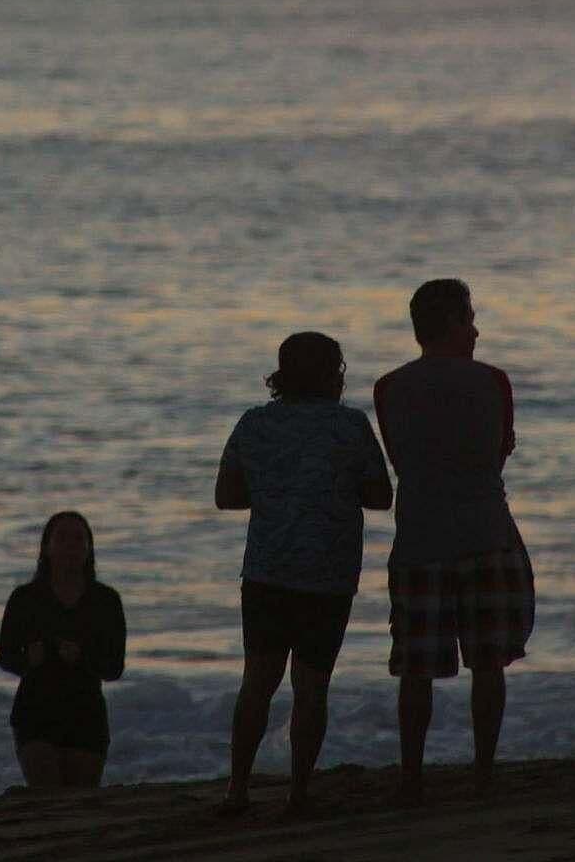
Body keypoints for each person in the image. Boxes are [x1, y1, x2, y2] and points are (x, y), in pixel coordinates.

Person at [214, 331, 392, 816]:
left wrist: (277, 495)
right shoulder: (351, 427)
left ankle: (237, 788)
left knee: (258, 680)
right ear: (330, 374)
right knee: (312, 685)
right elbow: (381, 497)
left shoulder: (254, 424)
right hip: (328, 575)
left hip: (268, 571)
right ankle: (298, 793)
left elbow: (227, 496)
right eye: (339, 369)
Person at [372, 279, 534, 804]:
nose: (476, 329)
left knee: (415, 669)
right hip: (485, 532)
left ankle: (411, 777)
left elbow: (399, 459)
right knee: (487, 664)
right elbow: (499, 453)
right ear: (453, 325)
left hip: (420, 537)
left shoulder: (389, 387)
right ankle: (483, 773)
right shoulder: (494, 382)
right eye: (470, 319)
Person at [0, 510, 127, 789]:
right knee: (46, 797)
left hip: (86, 714)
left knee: (79, 804)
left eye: (79, 539)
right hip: (35, 712)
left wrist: (82, 657)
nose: (71, 545)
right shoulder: (25, 598)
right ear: (46, 547)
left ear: (89, 548)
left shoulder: (105, 601)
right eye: (62, 538)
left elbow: (114, 668)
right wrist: (27, 660)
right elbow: (5, 657)